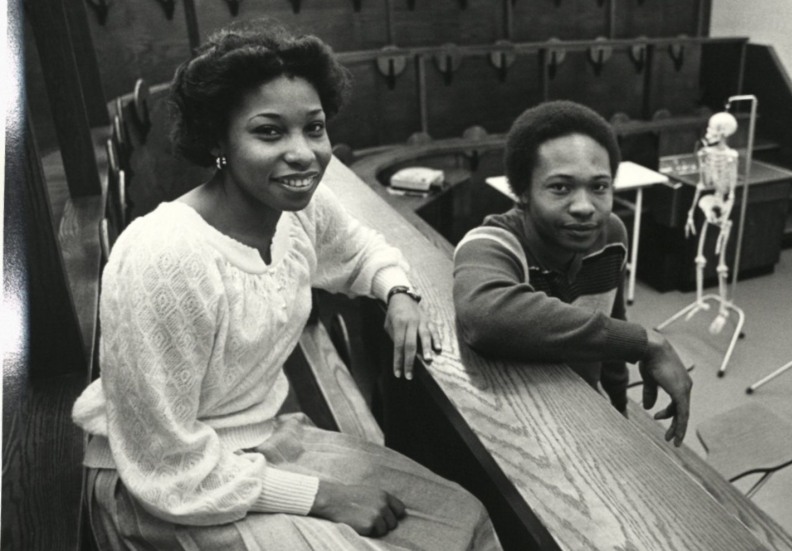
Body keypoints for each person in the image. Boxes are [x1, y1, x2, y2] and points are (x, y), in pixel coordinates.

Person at [72, 22, 500, 551]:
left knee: (465, 517)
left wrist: (399, 292)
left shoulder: (298, 211)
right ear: (218, 141)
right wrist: (322, 496)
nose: (303, 153)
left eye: (314, 128)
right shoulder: (165, 256)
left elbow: (362, 249)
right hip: (167, 488)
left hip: (262, 442)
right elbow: (165, 465)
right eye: (269, 132)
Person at [453, 100, 692, 446]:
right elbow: (485, 315)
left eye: (599, 187)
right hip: (516, 428)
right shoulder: (493, 242)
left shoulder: (611, 235)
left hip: (584, 415)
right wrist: (644, 342)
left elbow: (611, 328)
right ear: (522, 192)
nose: (584, 207)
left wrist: (617, 412)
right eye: (560, 187)